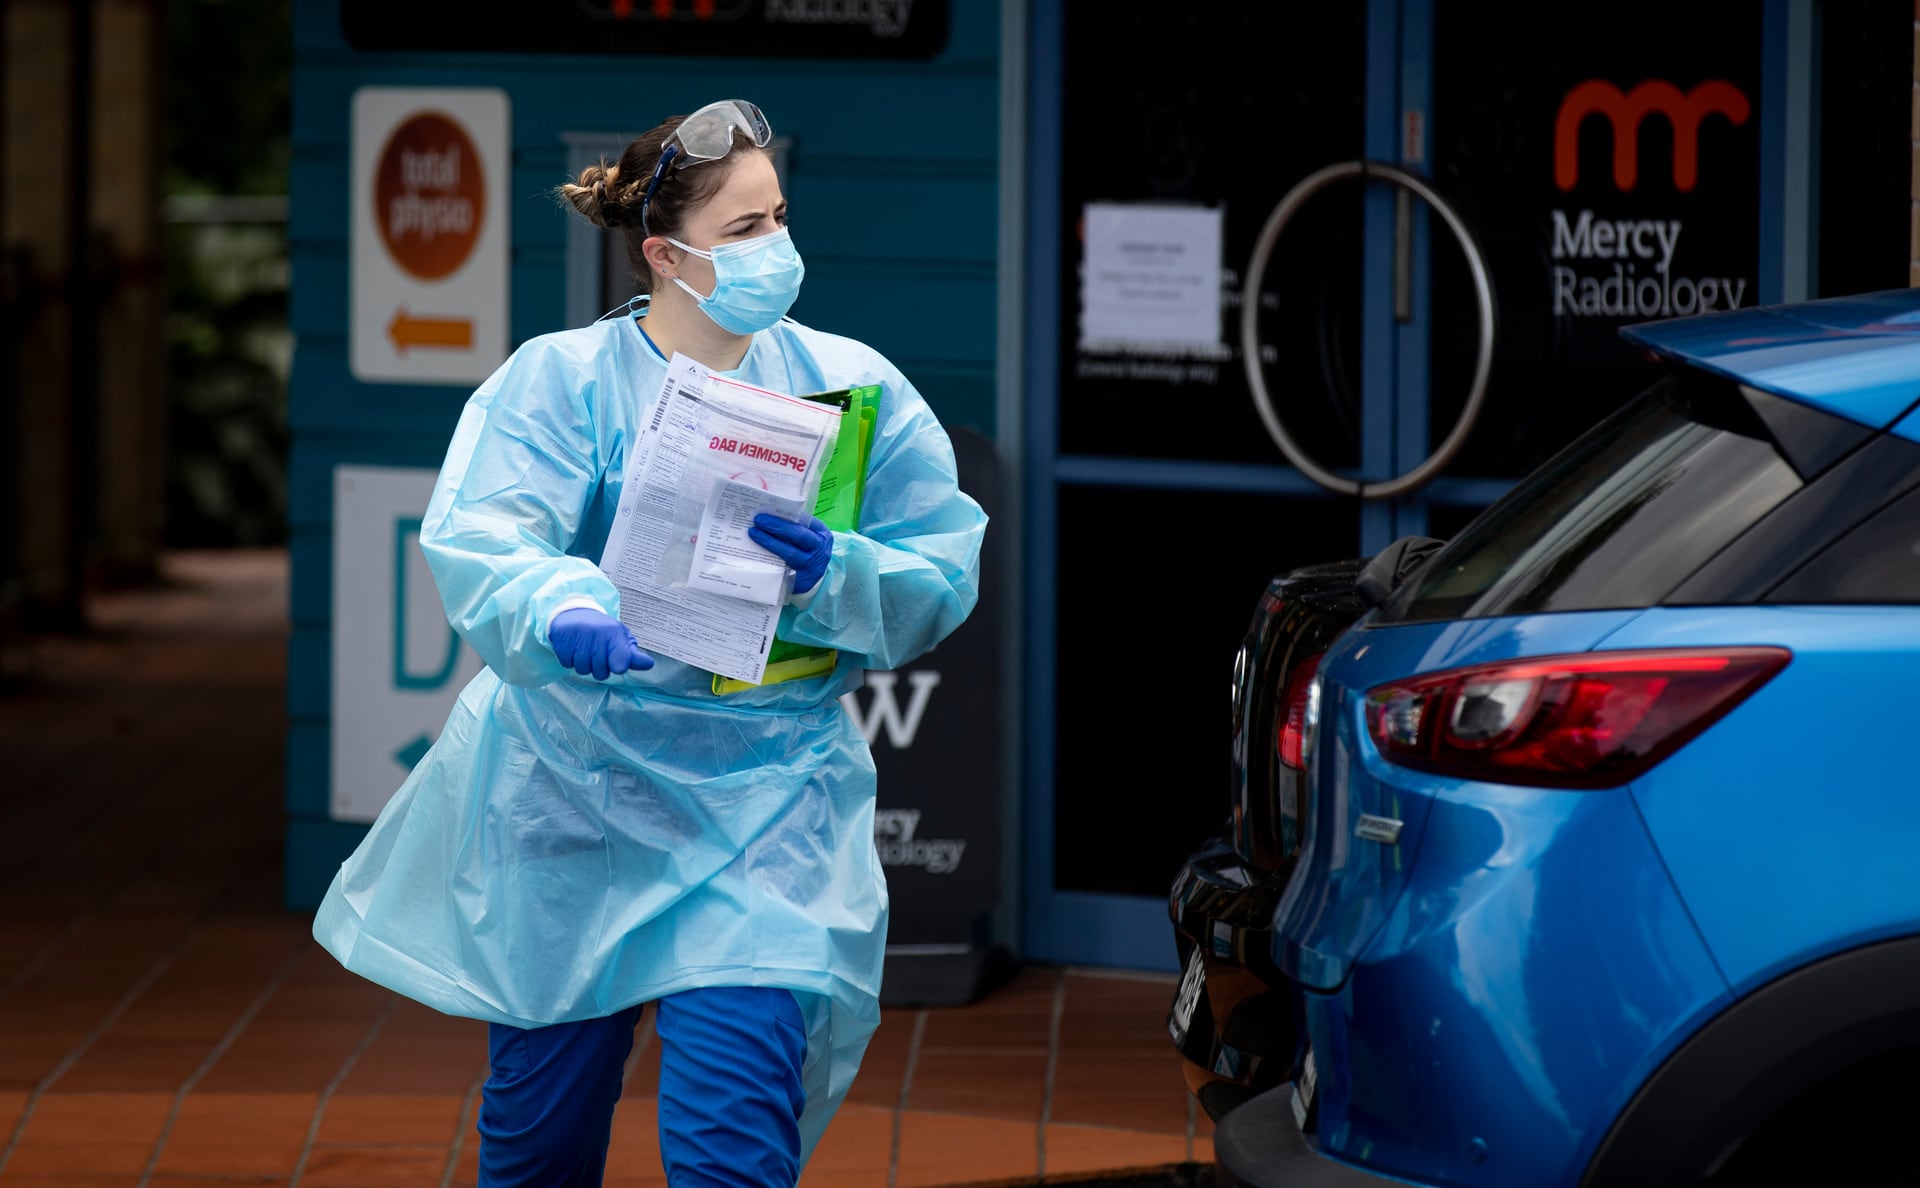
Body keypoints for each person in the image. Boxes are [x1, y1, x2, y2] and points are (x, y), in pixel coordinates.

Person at [312, 99, 986, 1187]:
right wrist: (558, 610)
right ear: (666, 254)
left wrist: (841, 573)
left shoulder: (854, 388)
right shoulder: (558, 382)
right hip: (574, 804)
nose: (776, 249)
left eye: (778, 218)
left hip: (766, 815)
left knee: (732, 1155)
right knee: (540, 1151)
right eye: (743, 231)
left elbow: (941, 567)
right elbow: (487, 531)